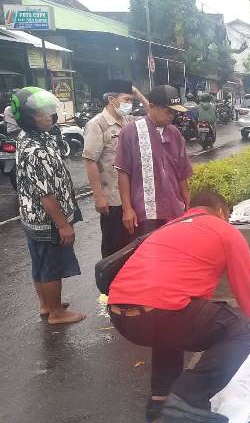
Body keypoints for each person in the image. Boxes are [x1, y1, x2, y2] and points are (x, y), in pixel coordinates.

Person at [108, 189, 250, 422]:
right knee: (244, 329)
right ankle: (188, 395)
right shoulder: (224, 230)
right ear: (220, 212)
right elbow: (246, 287)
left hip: (120, 315)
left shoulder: (168, 227)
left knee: (172, 318)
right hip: (157, 312)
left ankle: (161, 398)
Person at [13, 87, 85, 325]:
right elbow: (46, 194)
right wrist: (63, 225)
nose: (49, 116)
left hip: (32, 217)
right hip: (48, 220)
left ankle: (46, 304)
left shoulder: (30, 137)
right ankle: (56, 313)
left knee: (40, 262)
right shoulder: (36, 149)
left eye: (48, 111)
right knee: (53, 265)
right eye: (41, 113)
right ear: (26, 117)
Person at [114, 84, 192, 236]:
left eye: (174, 112)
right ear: (152, 106)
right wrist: (127, 209)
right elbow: (123, 173)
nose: (172, 115)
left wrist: (188, 204)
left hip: (174, 212)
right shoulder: (130, 132)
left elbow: (182, 175)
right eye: (168, 111)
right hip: (145, 214)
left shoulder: (175, 134)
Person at [83, 80, 148, 257]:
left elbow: (154, 116)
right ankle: (110, 284)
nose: (130, 103)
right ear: (112, 100)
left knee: (132, 244)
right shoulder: (97, 124)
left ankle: (127, 282)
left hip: (131, 196)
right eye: (127, 99)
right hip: (111, 198)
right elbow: (90, 161)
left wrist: (138, 93)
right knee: (114, 247)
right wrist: (98, 196)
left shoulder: (128, 120)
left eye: (131, 100)